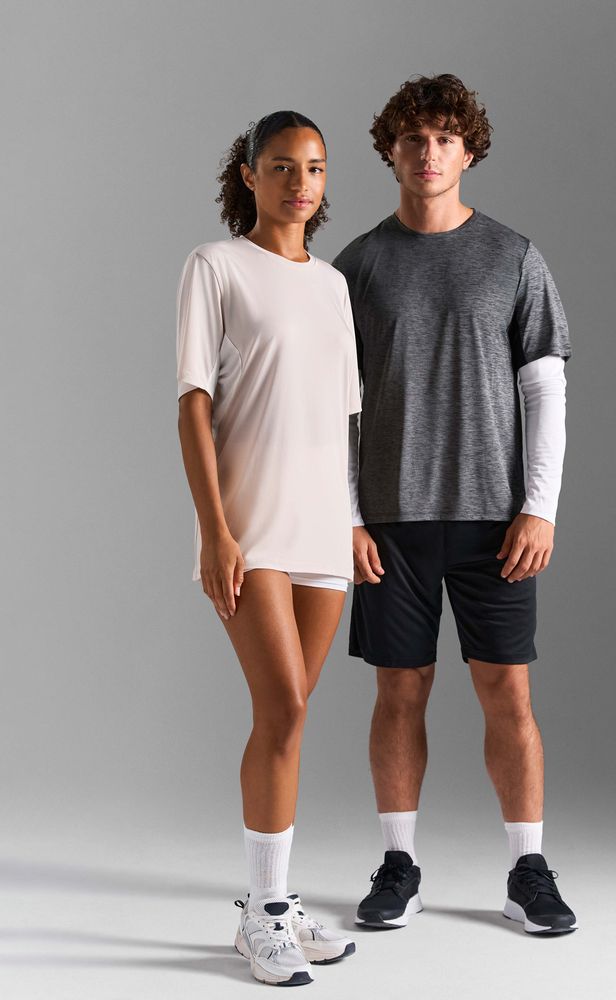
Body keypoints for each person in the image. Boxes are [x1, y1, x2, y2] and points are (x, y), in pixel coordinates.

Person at [334, 74, 578, 935]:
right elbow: (334, 405)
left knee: (508, 693)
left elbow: (545, 389)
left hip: (495, 522)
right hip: (389, 521)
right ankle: (398, 866)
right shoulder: (358, 265)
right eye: (413, 137)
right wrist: (346, 517)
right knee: (399, 693)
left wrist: (540, 505)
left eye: (444, 137)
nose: (428, 152)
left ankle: (527, 870)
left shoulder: (514, 257)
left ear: (468, 150)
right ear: (390, 151)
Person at [176, 111, 359, 986]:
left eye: (314, 168)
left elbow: (341, 419)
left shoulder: (333, 286)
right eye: (282, 166)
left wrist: (353, 519)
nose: (300, 182)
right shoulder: (214, 267)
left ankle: (272, 906)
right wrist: (215, 529)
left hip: (324, 526)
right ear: (249, 175)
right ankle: (263, 913)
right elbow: (193, 404)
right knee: (282, 705)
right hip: (251, 525)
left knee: (289, 717)